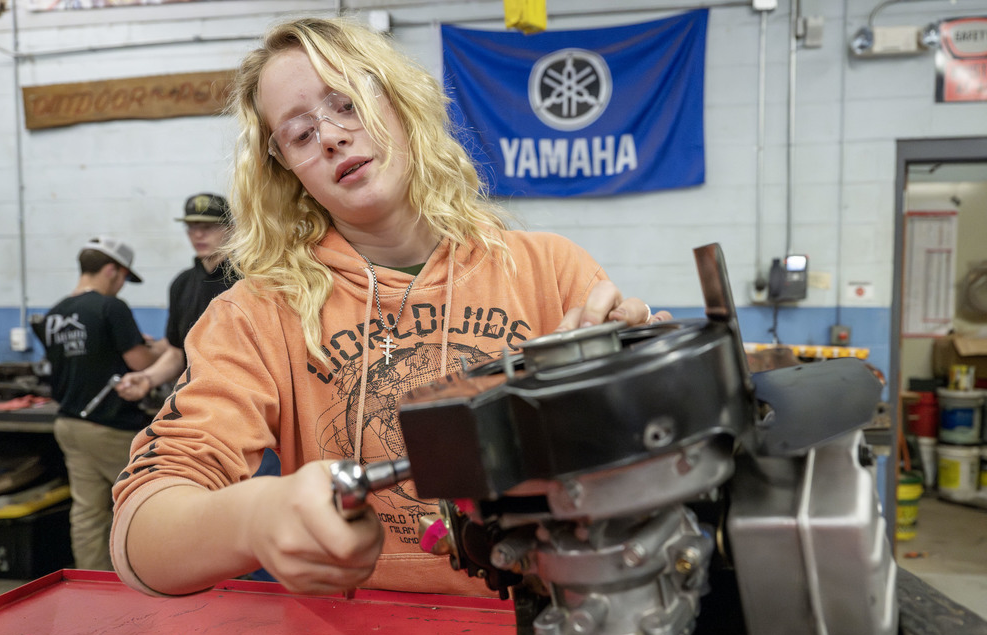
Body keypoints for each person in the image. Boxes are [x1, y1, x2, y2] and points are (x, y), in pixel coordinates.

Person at [111, 16, 669, 598]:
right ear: (289, 171)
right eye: (300, 135)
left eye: (347, 103)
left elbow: (649, 473)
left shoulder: (548, 270)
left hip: (541, 622)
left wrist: (632, 386)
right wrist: (252, 517)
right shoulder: (258, 313)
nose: (329, 137)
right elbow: (141, 539)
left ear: (400, 103)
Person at [45, 236, 166, 571]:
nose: (122, 286)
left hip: (69, 423)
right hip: (109, 427)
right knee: (145, 501)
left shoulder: (55, 313)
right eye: (125, 277)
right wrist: (164, 350)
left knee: (87, 512)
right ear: (113, 270)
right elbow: (141, 363)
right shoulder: (111, 307)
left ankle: (92, 583)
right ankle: (155, 577)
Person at [115, 193, 239, 404]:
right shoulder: (182, 284)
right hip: (195, 400)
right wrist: (147, 378)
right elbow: (176, 353)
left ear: (230, 229)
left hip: (240, 398)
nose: (198, 234)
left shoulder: (248, 279)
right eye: (191, 226)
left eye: (208, 227)